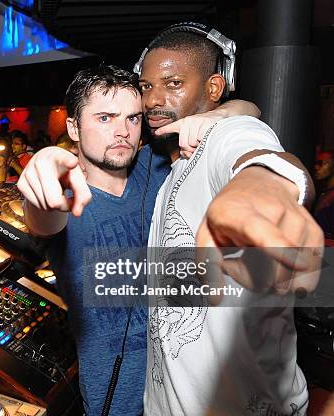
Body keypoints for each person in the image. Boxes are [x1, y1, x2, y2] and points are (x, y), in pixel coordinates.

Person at [16, 64, 260, 415]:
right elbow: (43, 217)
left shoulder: (155, 166)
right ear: (73, 127)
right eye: (105, 118)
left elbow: (249, 110)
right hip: (118, 402)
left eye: (132, 118)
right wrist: (43, 167)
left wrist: (213, 117)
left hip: (191, 391)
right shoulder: (67, 195)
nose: (123, 132)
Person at [133, 26, 322, 415]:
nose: (153, 99)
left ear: (215, 88)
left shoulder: (225, 136)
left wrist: (262, 188)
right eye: (146, 85)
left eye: (173, 83)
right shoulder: (168, 170)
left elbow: (257, 153)